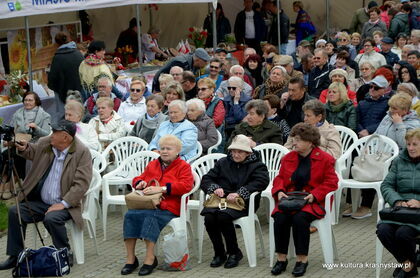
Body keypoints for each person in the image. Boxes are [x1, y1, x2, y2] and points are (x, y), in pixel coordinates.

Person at [0, 120, 92, 271]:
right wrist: (24, 147)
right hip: (41, 202)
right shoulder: (47, 143)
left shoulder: (81, 152)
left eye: (54, 132)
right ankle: (15, 256)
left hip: (66, 205)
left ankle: (64, 252)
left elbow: (81, 184)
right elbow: (33, 151)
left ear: (65, 137)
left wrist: (63, 204)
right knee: (15, 211)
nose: (51, 135)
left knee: (52, 218)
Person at [271, 123, 338, 277]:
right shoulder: (288, 158)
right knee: (280, 217)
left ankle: (302, 260)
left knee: (300, 219)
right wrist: (280, 191)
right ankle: (281, 259)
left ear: (310, 142)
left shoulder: (325, 159)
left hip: (312, 201)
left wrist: (315, 194)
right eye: (294, 139)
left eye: (299, 140)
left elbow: (332, 182)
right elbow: (279, 178)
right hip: (290, 199)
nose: (294, 143)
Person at [121, 135, 193, 276]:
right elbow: (139, 177)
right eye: (162, 148)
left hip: (170, 206)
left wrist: (162, 188)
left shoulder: (183, 166)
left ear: (178, 151)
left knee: (150, 217)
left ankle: (150, 258)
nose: (165, 151)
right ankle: (131, 259)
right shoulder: (153, 164)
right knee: (130, 215)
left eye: (169, 149)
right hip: (150, 203)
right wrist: (139, 183)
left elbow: (186, 186)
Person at [201, 134, 269, 269]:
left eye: (240, 152)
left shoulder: (257, 165)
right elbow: (207, 179)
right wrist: (215, 188)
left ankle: (234, 252)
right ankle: (219, 253)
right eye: (234, 151)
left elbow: (261, 182)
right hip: (221, 200)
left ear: (248, 153)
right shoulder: (223, 162)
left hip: (243, 203)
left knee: (223, 216)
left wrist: (240, 192)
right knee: (209, 217)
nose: (236, 155)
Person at [376, 128, 420, 278]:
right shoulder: (399, 161)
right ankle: (408, 264)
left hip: (418, 213)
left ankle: (408, 266)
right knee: (383, 230)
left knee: (403, 234)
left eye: (415, 144)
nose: (411, 148)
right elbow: (386, 185)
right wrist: (398, 200)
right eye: (408, 144)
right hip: (401, 210)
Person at [4, 92, 52, 179]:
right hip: (17, 142)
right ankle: (9, 181)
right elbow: (11, 129)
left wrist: (36, 128)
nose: (27, 102)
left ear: (36, 102)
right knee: (5, 155)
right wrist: (10, 138)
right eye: (25, 100)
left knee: (19, 156)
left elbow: (47, 134)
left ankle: (21, 181)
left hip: (34, 144)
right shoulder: (17, 113)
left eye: (30, 100)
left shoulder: (45, 116)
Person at [48, 32, 84, 117]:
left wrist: (54, 87)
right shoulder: (78, 54)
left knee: (64, 116)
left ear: (56, 43)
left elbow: (53, 78)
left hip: (62, 93)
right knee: (78, 115)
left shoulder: (58, 57)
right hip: (79, 91)